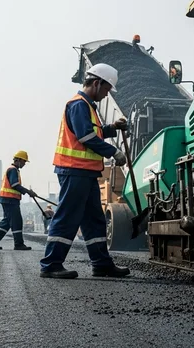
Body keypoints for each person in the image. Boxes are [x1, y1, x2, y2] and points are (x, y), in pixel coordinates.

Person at [40, 63, 130, 279]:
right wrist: (113, 152)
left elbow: (94, 134)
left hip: (86, 173)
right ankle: (51, 264)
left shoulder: (89, 107)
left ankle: (101, 264)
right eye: (107, 89)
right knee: (67, 216)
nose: (107, 94)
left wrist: (111, 128)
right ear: (97, 83)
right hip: (74, 171)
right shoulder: (79, 104)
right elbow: (85, 137)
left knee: (94, 219)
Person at [0, 150, 37, 251]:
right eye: (24, 162)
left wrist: (27, 192)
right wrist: (27, 191)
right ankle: (18, 244)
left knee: (8, 222)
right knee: (17, 221)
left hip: (8, 199)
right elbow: (14, 185)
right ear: (18, 160)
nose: (24, 164)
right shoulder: (13, 170)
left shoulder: (14, 170)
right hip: (9, 200)